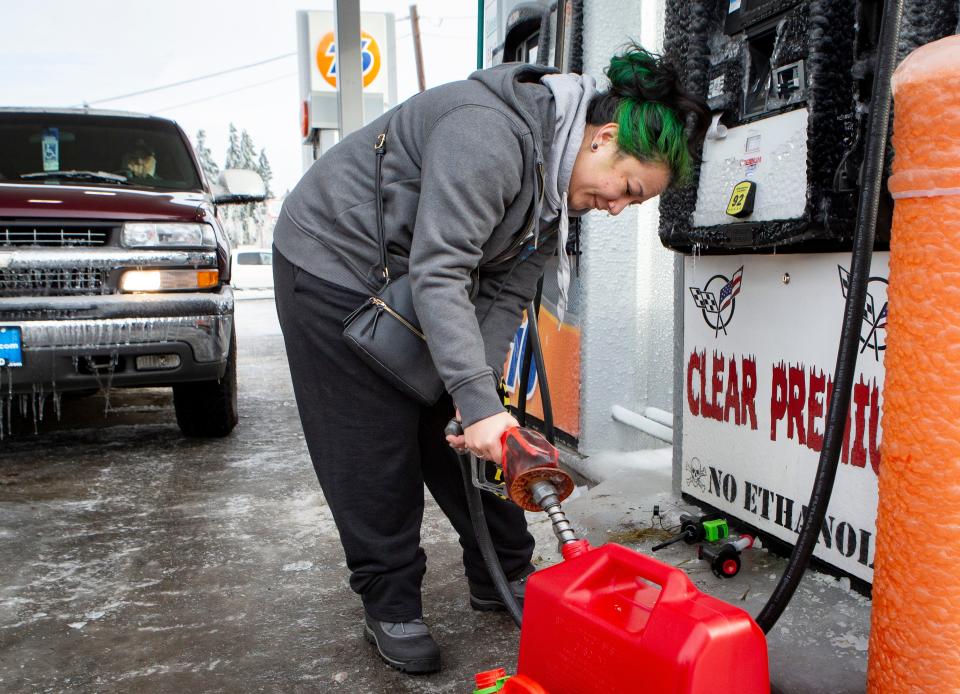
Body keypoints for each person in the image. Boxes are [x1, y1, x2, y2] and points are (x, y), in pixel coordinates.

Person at [272, 43, 708, 674]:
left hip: (410, 273)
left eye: (632, 205)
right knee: (372, 443)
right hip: (333, 263)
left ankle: (501, 574)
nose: (617, 208)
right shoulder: (489, 133)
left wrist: (477, 401)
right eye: (628, 190)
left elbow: (503, 297)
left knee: (467, 429)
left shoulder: (554, 199)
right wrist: (472, 401)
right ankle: (391, 602)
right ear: (603, 138)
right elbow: (442, 269)